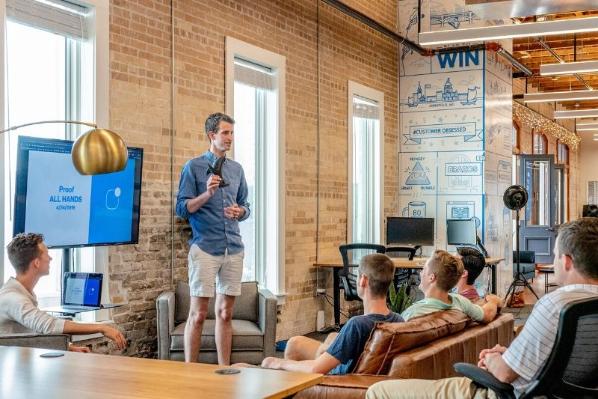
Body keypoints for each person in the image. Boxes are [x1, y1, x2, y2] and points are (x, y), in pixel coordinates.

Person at [366, 217, 598, 399]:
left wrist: (493, 359)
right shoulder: (582, 307)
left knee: (379, 392)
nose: (555, 261)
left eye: (556, 256)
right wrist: (510, 355)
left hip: (503, 394)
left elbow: (506, 373)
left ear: (567, 261)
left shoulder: (554, 305)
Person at [176, 112, 250, 365]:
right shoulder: (193, 167)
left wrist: (240, 212)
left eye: (232, 133)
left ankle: (224, 371)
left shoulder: (237, 169)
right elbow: (182, 209)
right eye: (225, 133)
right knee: (197, 315)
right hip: (205, 249)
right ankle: (190, 372)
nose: (230, 138)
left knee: (225, 313)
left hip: (234, 248)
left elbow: (245, 206)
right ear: (212, 135)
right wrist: (207, 194)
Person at [260, 254, 403, 374]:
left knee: (273, 361)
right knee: (295, 343)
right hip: (358, 368)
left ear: (363, 280)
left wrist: (277, 362)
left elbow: (316, 368)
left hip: (339, 377)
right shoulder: (398, 320)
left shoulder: (357, 325)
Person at [0, 233, 127, 352]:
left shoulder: (23, 293)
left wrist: (69, 347)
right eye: (46, 254)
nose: (50, 258)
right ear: (36, 263)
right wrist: (101, 327)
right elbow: (49, 326)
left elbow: (32, 331)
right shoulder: (13, 299)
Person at [401, 250, 502, 323]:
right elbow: (487, 315)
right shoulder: (460, 302)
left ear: (431, 277)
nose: (420, 273)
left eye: (423, 270)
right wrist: (493, 300)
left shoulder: (412, 314)